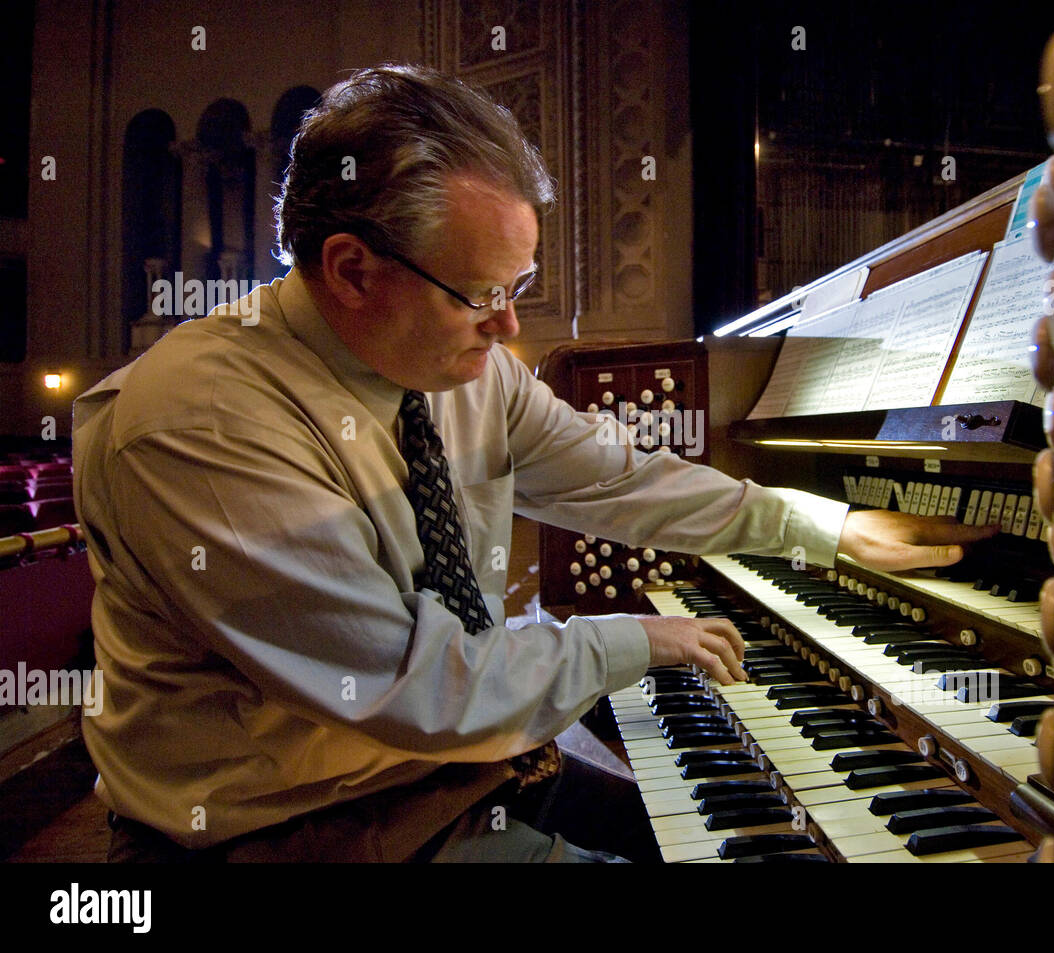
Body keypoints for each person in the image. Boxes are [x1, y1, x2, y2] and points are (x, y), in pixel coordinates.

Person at [71, 64, 995, 863]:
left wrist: (821, 524)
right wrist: (640, 640)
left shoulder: (460, 370)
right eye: (481, 294)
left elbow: (614, 476)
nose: (510, 326)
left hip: (458, 770)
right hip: (298, 825)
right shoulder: (196, 426)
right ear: (352, 270)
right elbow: (417, 685)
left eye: (517, 289)